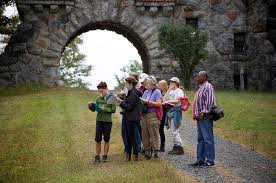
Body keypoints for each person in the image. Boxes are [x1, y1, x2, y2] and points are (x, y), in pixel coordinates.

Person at [191, 71, 216, 167]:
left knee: (207, 138)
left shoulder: (208, 86)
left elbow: (210, 101)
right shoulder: (201, 87)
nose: (197, 78)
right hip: (199, 117)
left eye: (199, 76)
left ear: (205, 77)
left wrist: (203, 112)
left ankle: (210, 160)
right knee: (200, 139)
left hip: (205, 116)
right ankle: (200, 159)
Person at [88, 82, 116, 163]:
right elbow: (94, 109)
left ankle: (105, 155)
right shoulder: (98, 98)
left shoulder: (112, 97)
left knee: (106, 139)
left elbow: (113, 110)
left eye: (102, 91)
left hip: (107, 121)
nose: (101, 93)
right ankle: (97, 156)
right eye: (99, 91)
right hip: (99, 121)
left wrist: (105, 109)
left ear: (106, 89)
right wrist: (90, 106)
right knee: (98, 139)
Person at [116, 76, 142, 161]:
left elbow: (129, 107)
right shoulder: (131, 92)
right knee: (129, 137)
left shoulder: (134, 93)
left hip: (132, 118)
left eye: (126, 83)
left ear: (130, 84)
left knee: (132, 137)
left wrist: (120, 102)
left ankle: (135, 155)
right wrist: (121, 101)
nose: (125, 84)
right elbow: (127, 103)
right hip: (129, 117)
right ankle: (129, 155)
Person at [140, 76, 162, 159]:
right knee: (144, 133)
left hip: (153, 115)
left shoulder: (157, 92)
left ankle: (156, 151)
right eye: (146, 82)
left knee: (154, 133)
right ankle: (147, 152)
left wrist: (147, 102)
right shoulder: (145, 92)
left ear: (152, 84)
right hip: (144, 115)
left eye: (148, 83)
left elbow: (159, 104)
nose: (146, 84)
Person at [163, 77, 184, 155]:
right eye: (170, 82)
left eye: (171, 82)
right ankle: (176, 147)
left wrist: (168, 101)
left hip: (176, 111)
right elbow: (164, 99)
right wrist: (168, 90)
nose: (170, 83)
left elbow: (178, 101)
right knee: (172, 130)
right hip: (170, 111)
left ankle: (179, 147)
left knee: (175, 130)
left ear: (176, 83)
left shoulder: (179, 91)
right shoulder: (171, 91)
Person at [157, 80, 169, 152]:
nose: (158, 86)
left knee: (160, 129)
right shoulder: (160, 93)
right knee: (158, 129)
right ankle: (159, 145)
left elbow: (164, 103)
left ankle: (162, 146)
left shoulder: (166, 94)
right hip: (159, 112)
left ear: (164, 86)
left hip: (164, 113)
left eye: (160, 85)